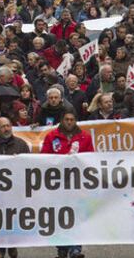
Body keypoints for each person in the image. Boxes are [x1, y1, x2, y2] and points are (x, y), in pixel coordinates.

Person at [41, 110, 94, 258]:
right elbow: (44, 158)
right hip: (58, 183)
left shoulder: (85, 137)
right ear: (62, 120)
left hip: (77, 183)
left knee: (76, 215)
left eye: (72, 119)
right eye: (67, 119)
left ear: (75, 120)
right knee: (60, 217)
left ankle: (75, 248)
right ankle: (62, 248)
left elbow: (91, 158)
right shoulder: (52, 136)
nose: (69, 122)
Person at [0, 117, 30, 258]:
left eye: (8, 125)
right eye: (3, 126)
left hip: (15, 190)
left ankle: (12, 244)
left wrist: (19, 161)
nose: (6, 129)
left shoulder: (21, 144)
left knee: (13, 219)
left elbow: (28, 167)